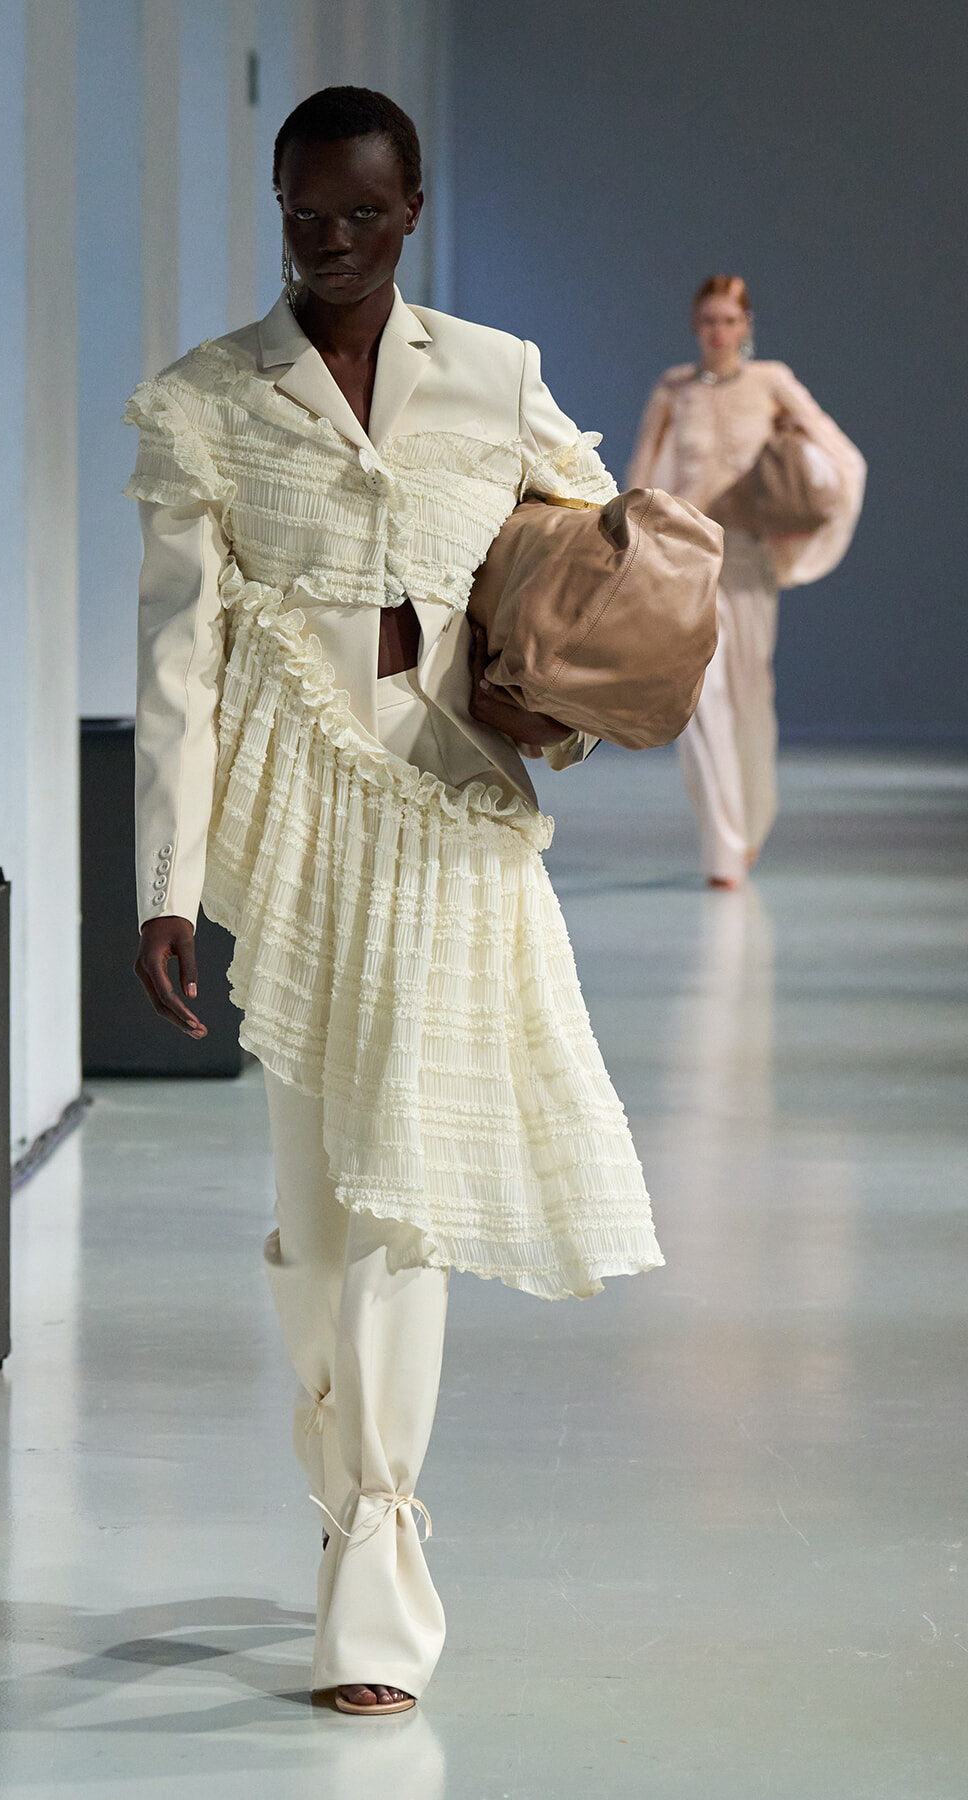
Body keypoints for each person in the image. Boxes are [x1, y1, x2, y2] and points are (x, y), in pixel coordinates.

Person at [127, 86, 663, 1717]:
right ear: (280, 205)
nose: (334, 241)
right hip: (293, 838)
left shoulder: (493, 375)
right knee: (318, 1215)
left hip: (451, 823)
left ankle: (377, 1565)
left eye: (363, 212)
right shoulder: (205, 401)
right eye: (306, 212)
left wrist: (571, 687)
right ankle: (341, 1484)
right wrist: (164, 880)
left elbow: (602, 542)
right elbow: (175, 662)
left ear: (411, 208)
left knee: (402, 1204)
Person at [627, 276, 865, 887]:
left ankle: (751, 824)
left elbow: (840, 458)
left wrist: (807, 519)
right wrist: (637, 550)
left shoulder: (772, 383)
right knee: (701, 700)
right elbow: (641, 477)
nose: (719, 332)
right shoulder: (672, 390)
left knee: (750, 698)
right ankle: (724, 850)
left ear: (746, 325)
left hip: (750, 559)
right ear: (694, 325)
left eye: (729, 320)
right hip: (688, 559)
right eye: (708, 319)